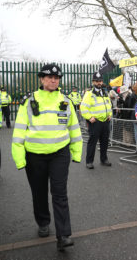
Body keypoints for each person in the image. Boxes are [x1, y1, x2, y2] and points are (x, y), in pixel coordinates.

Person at [12, 64, 82, 251]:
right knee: (39, 192)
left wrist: (76, 152)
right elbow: (19, 131)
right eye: (49, 77)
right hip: (34, 155)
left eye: (57, 78)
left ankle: (64, 235)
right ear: (41, 79)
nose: (53, 80)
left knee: (60, 194)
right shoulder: (29, 101)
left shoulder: (65, 101)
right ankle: (43, 221)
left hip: (60, 153)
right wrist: (20, 158)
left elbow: (74, 128)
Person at [81, 72, 112, 169]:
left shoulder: (105, 92)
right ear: (93, 82)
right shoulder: (89, 94)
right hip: (95, 122)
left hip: (105, 121)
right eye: (97, 81)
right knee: (92, 143)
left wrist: (110, 114)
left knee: (104, 142)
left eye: (101, 81)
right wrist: (90, 117)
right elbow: (83, 107)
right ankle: (89, 162)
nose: (99, 83)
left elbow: (109, 105)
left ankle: (104, 159)